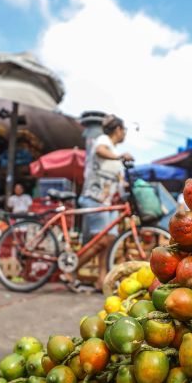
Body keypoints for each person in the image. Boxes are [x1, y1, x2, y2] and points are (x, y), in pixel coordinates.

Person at [76, 114, 133, 287]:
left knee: (110, 242)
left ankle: (102, 279)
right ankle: (70, 270)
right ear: (118, 130)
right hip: (95, 198)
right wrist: (119, 157)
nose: (125, 134)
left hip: (109, 204)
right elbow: (100, 150)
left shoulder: (114, 151)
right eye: (124, 130)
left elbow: (119, 180)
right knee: (101, 241)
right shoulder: (104, 140)